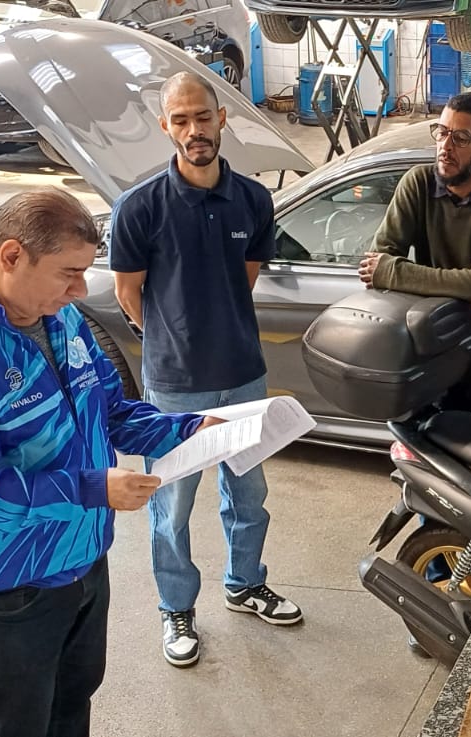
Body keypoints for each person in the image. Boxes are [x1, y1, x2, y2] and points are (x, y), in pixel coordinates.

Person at [0, 189, 219, 737]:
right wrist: (92, 489)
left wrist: (190, 429)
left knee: (72, 702)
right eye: (69, 273)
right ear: (12, 255)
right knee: (19, 722)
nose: (80, 289)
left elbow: (110, 410)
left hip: (84, 560)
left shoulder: (61, 320)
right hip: (9, 585)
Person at [109, 71, 300, 670]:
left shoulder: (253, 200)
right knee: (171, 506)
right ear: (166, 127)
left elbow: (244, 277)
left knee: (249, 492)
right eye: (181, 120)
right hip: (174, 386)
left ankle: (245, 584)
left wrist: (215, 330)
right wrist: (173, 339)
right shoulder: (139, 208)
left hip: (243, 374)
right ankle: (177, 608)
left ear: (222, 119)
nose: (194, 130)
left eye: (203, 117)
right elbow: (128, 292)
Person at [358, 91, 471, 419]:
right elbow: (375, 265)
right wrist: (463, 296)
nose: (445, 147)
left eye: (460, 138)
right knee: (429, 451)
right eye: (442, 132)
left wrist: (395, 272)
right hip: (432, 359)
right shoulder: (417, 184)